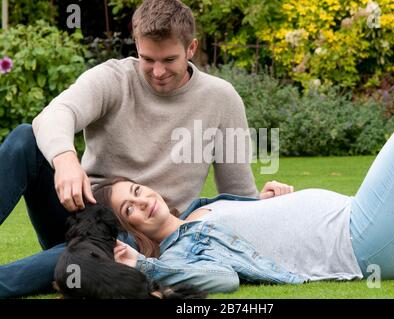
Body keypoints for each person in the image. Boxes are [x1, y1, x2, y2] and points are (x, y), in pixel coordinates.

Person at [0, 0, 261, 298]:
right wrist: (65, 159)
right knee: (24, 138)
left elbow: (238, 194)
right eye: (148, 59)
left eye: (169, 60)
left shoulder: (221, 99)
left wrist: (268, 206)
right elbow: (54, 114)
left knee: (128, 242)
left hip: (139, 235)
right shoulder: (112, 78)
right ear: (136, 44)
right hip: (80, 211)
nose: (158, 71)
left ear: (191, 48)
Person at [93, 103, 394, 293]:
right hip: (359, 243)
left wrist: (269, 204)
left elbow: (256, 234)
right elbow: (223, 279)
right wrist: (144, 266)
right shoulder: (178, 251)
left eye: (137, 191)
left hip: (354, 218)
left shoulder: (200, 212)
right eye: (130, 210)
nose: (142, 202)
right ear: (132, 231)